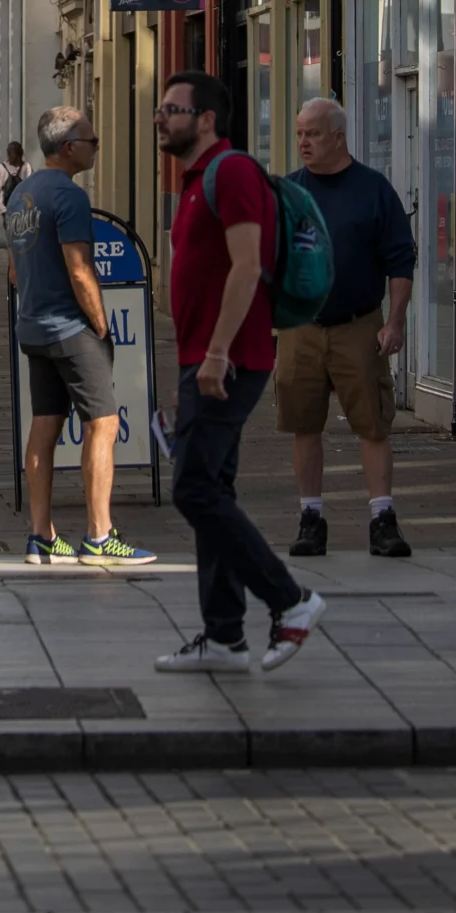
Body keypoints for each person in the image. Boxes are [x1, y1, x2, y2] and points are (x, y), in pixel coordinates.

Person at [152, 71, 326, 675]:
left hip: (229, 358)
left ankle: (291, 600)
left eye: (172, 109)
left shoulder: (232, 173)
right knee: (212, 491)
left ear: (206, 119)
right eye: (160, 109)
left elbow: (247, 267)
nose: (160, 118)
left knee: (193, 489)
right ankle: (225, 636)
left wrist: (219, 353)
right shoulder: (198, 179)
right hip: (204, 355)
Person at [4, 106, 155, 570]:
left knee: (45, 425)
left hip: (32, 326)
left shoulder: (21, 195)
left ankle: (42, 535)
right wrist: (101, 324)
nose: (96, 148)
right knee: (103, 424)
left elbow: (13, 271)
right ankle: (99, 534)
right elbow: (80, 268)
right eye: (92, 141)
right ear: (69, 147)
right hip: (71, 327)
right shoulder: (68, 197)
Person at [276, 97, 417, 559]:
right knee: (303, 423)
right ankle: (311, 518)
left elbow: (400, 261)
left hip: (360, 325)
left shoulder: (373, 191)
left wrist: (394, 322)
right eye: (299, 134)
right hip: (301, 327)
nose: (303, 143)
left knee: (373, 425)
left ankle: (382, 519)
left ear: (338, 136)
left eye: (312, 134)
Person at [0, 139, 29, 243]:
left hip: (5, 205)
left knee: (9, 228)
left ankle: (12, 246)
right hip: (22, 204)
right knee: (21, 228)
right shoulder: (26, 167)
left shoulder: (1, 168)